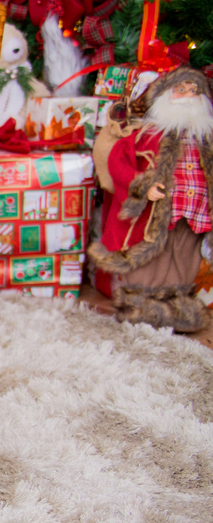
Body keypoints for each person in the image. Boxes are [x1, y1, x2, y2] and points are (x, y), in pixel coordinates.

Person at [89, 65, 213, 331]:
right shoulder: (147, 136)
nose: (189, 95)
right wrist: (143, 186)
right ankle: (139, 300)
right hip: (156, 213)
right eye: (182, 90)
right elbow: (117, 161)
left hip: (195, 214)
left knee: (184, 256)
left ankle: (177, 302)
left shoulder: (206, 140)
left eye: (195, 90)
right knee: (150, 258)